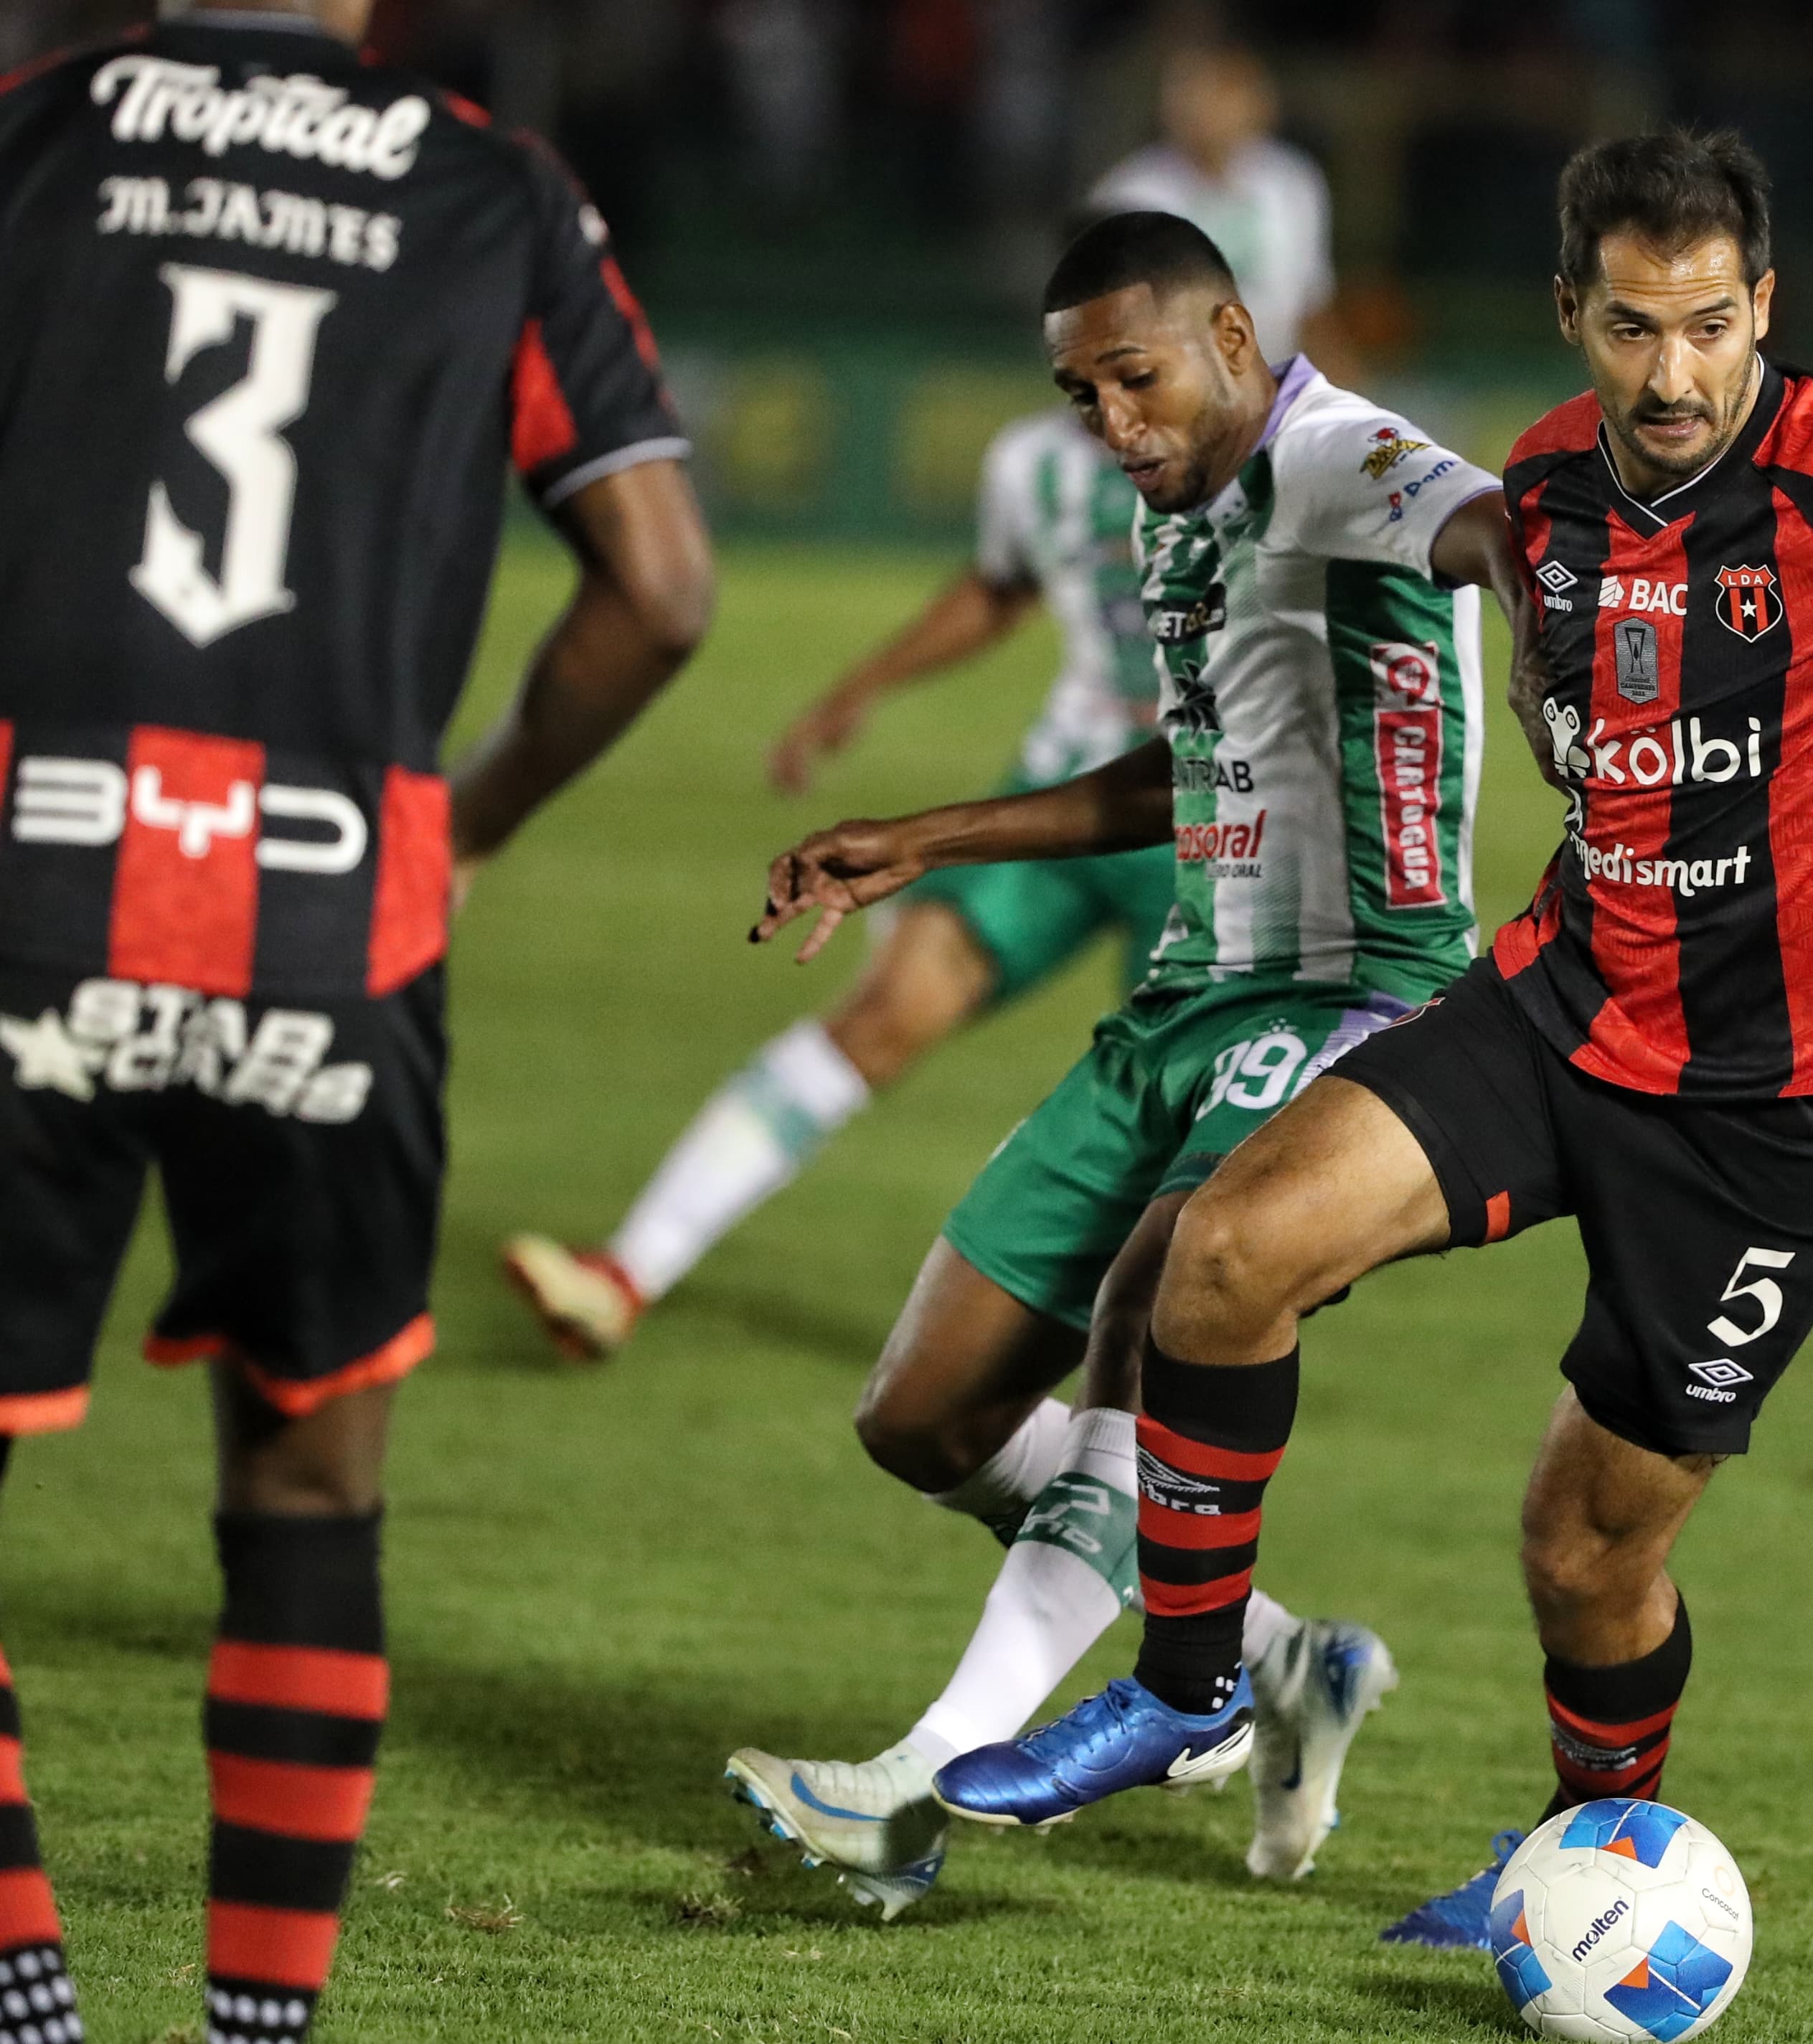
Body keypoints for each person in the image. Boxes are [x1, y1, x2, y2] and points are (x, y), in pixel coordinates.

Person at [932, 130, 1813, 1949]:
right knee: (1221, 1258)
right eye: (1631, 328)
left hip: (1773, 1110)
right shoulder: (1542, 480)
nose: (1672, 372)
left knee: (1585, 1546)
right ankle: (1193, 1682)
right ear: (1572, 317)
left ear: (1762, 310)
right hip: (1557, 1008)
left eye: (1709, 326)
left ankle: (1581, 1861)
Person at [0, 4, 712, 2039]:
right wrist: (462, 824)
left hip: (31, 869)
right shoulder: (491, 185)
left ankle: (27, 1999)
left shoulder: (37, 139)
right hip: (333, 905)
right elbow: (659, 590)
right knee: (309, 1486)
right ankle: (259, 2030)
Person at [732, 209, 1536, 1915]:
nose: (1110, 422)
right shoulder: (1178, 517)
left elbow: (1488, 526)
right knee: (924, 1413)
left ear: (1234, 339)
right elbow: (1185, 766)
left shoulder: (1337, 458)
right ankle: (1270, 1654)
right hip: (1185, 996)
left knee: (1154, 1321)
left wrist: (1558, 641)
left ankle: (922, 1785)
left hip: (1353, 996)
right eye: (1079, 393)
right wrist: (935, 837)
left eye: (1136, 376)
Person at [499, 407, 1172, 1360]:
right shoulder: (1034, 463)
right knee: (883, 1012)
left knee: (1184, 1113)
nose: (1098, 387)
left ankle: (1148, 1397)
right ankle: (629, 1270)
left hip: (1221, 831)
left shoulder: (1263, 452)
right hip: (1062, 801)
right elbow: (999, 585)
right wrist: (865, 683)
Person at [1089, 44, 1339, 370]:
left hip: (1271, 377)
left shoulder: (1290, 183)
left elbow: (1310, 306)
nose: (1207, 114)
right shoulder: (1130, 197)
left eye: (1224, 98)